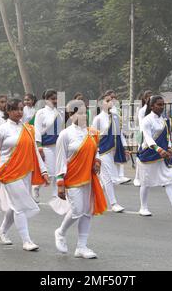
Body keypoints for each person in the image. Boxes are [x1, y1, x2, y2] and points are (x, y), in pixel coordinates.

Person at [0, 99, 49, 250]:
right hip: (8, 172)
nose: (19, 112)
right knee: (20, 206)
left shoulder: (28, 129)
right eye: (16, 109)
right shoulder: (1, 130)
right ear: (8, 111)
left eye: (21, 109)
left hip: (26, 171)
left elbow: (35, 152)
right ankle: (26, 241)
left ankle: (2, 231)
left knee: (15, 204)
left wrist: (43, 171)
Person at [54, 100, 107, 259]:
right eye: (80, 113)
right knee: (77, 210)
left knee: (87, 211)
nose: (84, 116)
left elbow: (96, 150)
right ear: (71, 115)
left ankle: (81, 247)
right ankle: (60, 232)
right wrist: (60, 182)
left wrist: (97, 161)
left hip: (89, 177)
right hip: (72, 177)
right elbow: (60, 159)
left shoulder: (92, 132)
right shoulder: (65, 134)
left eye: (85, 113)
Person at [136, 95, 172, 217]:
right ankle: (143, 207)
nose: (161, 107)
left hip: (162, 154)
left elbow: (166, 136)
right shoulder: (147, 120)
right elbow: (147, 137)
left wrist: (167, 148)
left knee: (169, 179)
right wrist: (158, 149)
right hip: (148, 153)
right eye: (159, 104)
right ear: (152, 106)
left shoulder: (163, 119)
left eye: (163, 104)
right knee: (145, 183)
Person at [92, 93, 129, 213]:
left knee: (105, 179)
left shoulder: (116, 117)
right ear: (101, 104)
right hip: (102, 151)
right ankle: (114, 203)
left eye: (111, 100)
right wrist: (95, 154)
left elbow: (120, 134)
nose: (110, 102)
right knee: (108, 178)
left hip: (114, 150)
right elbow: (93, 138)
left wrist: (125, 148)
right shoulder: (97, 119)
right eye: (107, 100)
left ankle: (90, 198)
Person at [34, 89, 64, 202]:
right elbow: (37, 130)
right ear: (46, 100)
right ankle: (36, 187)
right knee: (50, 172)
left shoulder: (59, 113)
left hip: (58, 146)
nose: (55, 101)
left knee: (58, 171)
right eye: (52, 99)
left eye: (56, 99)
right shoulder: (40, 113)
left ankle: (55, 195)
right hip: (45, 146)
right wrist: (39, 146)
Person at [104, 90, 130, 184]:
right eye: (111, 98)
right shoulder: (106, 111)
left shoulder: (116, 110)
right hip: (108, 137)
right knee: (110, 158)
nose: (114, 99)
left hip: (118, 135)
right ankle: (113, 177)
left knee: (120, 155)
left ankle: (120, 176)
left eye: (115, 97)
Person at [133, 90, 153, 187]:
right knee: (140, 156)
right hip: (143, 135)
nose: (150, 99)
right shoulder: (141, 110)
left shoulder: (155, 110)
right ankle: (137, 177)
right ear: (145, 99)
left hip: (153, 135)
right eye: (149, 98)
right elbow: (141, 124)